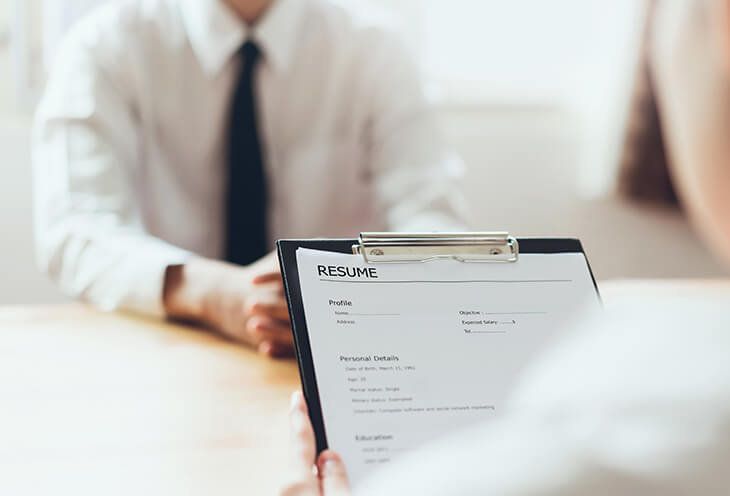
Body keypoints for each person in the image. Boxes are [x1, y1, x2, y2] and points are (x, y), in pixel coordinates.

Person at [32, 0, 466, 357]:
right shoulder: (104, 46)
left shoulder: (376, 48)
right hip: (162, 351)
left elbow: (436, 224)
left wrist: (351, 288)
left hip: (343, 357)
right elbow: (74, 230)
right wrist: (216, 294)